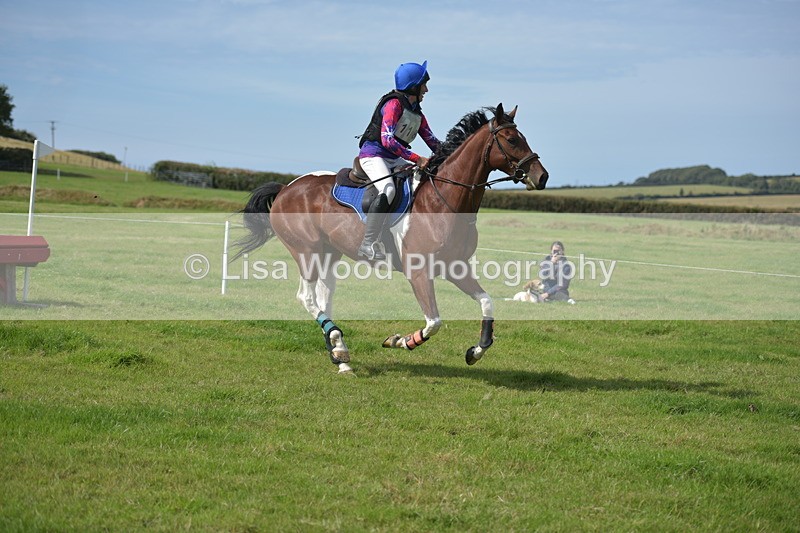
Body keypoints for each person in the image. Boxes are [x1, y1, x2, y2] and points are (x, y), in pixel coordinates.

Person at [356, 60, 441, 260]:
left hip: (393, 159)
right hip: (373, 155)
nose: (426, 89)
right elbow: (387, 140)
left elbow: (432, 141)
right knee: (389, 189)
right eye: (424, 84)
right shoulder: (393, 105)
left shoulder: (417, 113)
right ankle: (367, 244)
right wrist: (416, 158)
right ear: (413, 86)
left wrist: (453, 154)